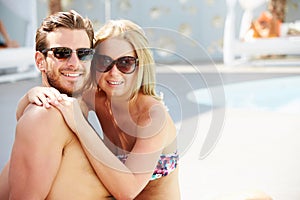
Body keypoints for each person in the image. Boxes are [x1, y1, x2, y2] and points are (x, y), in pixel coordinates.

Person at [16, 19, 181, 199]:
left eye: (125, 63)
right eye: (104, 62)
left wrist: (80, 124)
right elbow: (28, 121)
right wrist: (33, 94)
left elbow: (128, 191)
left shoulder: (152, 116)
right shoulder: (96, 97)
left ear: (140, 66)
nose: (114, 72)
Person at [0, 10, 112, 199]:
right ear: (40, 61)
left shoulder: (73, 108)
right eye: (61, 53)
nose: (74, 63)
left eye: (84, 53)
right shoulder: (45, 116)